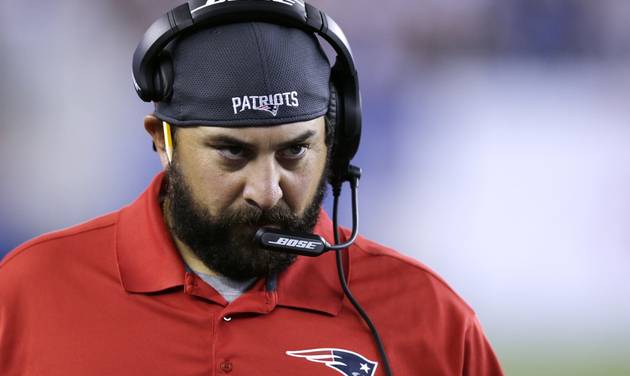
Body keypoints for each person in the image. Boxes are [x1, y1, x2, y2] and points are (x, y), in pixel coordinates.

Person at [0, 1, 503, 375]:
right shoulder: (26, 292)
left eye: (294, 152)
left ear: (336, 139)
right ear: (163, 141)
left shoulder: (430, 318)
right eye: (233, 153)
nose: (267, 191)